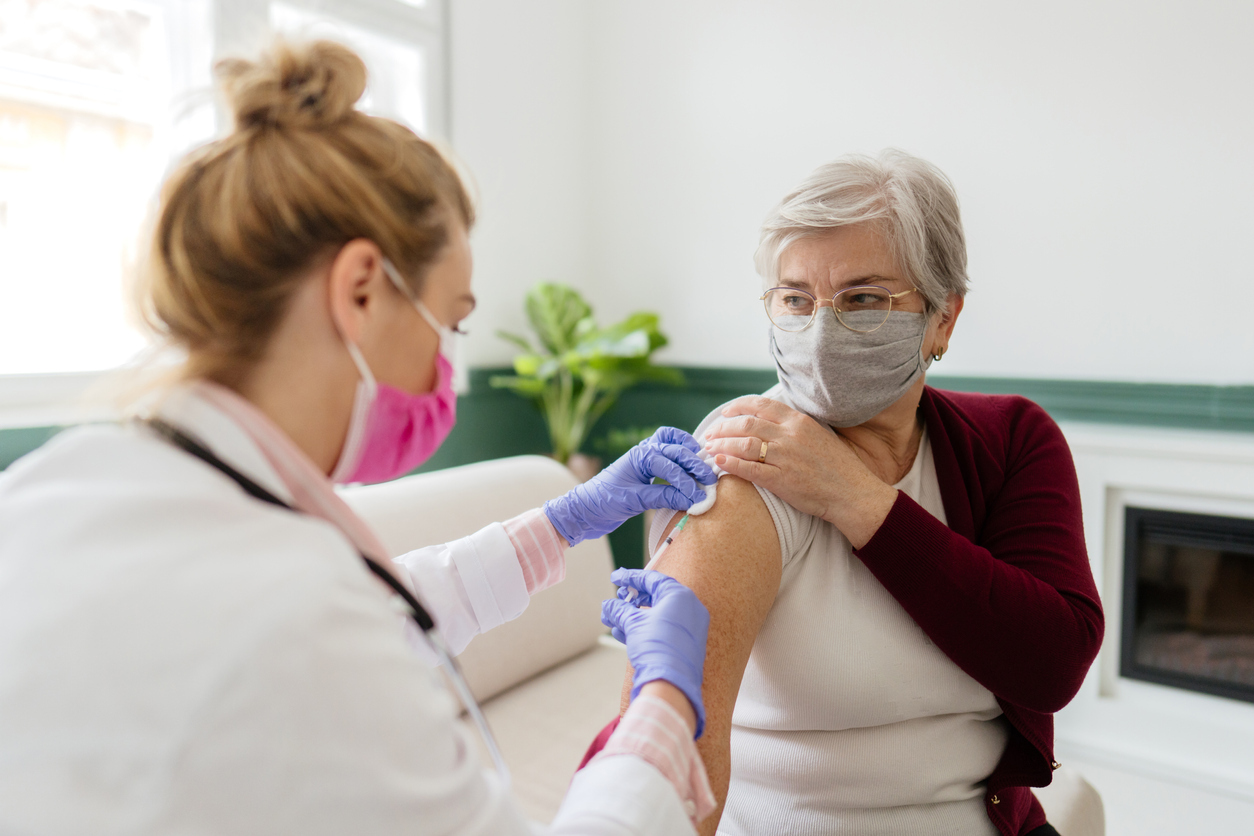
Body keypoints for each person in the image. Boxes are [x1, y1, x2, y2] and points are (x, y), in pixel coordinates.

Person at [0, 41, 720, 835]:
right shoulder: (298, 617)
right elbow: (328, 632)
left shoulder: (56, 487)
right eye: (451, 322)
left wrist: (562, 522)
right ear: (362, 289)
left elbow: (380, 611)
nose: (446, 365)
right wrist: (662, 702)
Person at [585, 151, 1105, 836]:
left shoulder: (1008, 439)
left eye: (863, 299)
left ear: (942, 318)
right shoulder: (745, 461)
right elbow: (669, 734)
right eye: (795, 299)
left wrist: (857, 500)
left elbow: (1052, 662)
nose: (821, 331)